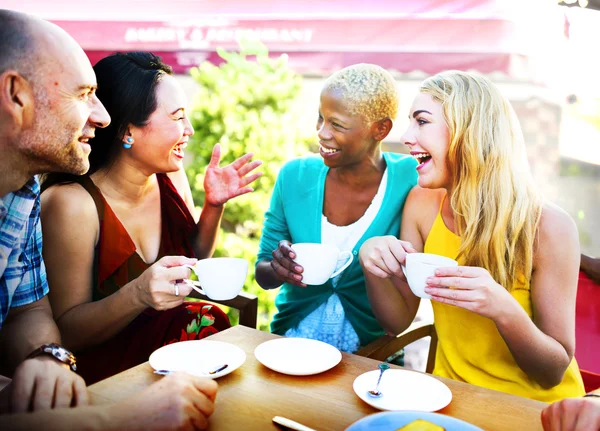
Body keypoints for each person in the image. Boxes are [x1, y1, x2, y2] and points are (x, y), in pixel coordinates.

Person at [0, 9, 218, 430]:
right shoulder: (67, 202)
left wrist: (47, 356)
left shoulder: (22, 195)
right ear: (16, 95)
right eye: (83, 95)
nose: (101, 116)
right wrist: (117, 418)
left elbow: (28, 310)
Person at [359, 70, 585, 402]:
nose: (406, 136)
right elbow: (397, 320)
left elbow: (552, 372)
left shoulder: (548, 227)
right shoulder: (422, 204)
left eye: (421, 122)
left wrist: (501, 308)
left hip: (532, 409)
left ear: (469, 133)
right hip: (447, 399)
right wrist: (372, 263)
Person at [40, 52, 262, 384]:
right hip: (102, 372)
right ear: (127, 130)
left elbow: (193, 260)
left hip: (169, 355)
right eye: (177, 117)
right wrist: (138, 294)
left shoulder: (170, 177)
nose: (188, 130)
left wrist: (214, 206)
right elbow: (66, 331)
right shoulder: (72, 204)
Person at [255, 64, 417, 353]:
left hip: (373, 354)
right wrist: (279, 269)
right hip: (291, 345)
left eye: (337, 125)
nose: (322, 133)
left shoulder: (411, 179)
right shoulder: (295, 176)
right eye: (320, 119)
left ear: (380, 129)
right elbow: (263, 274)